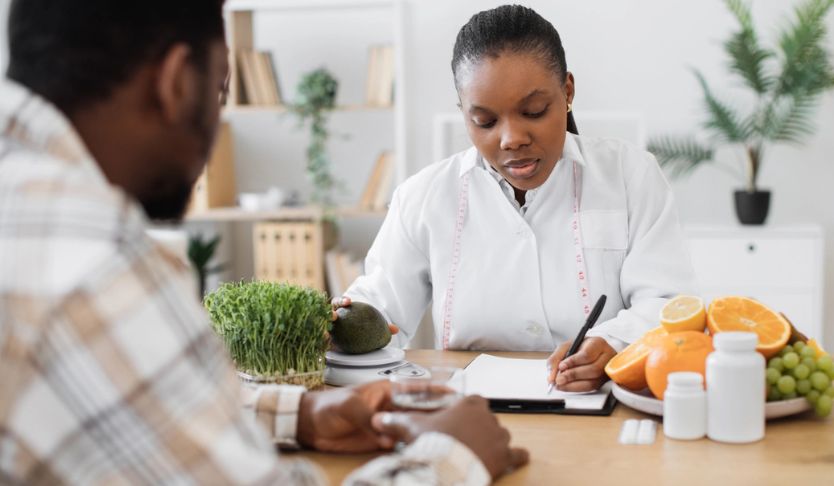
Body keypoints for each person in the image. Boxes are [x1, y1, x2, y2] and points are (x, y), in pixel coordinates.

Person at [0, 0, 527, 484]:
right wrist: (452, 457)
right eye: (222, 91)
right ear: (178, 82)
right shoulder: (90, 266)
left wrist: (299, 415)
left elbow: (116, 408)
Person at [341, 5, 696, 393]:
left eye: (534, 111)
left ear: (568, 92)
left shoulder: (631, 176)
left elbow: (668, 303)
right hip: (469, 415)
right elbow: (379, 308)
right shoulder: (423, 197)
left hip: (596, 408)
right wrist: (342, 323)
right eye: (485, 122)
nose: (511, 138)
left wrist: (613, 341)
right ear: (464, 113)